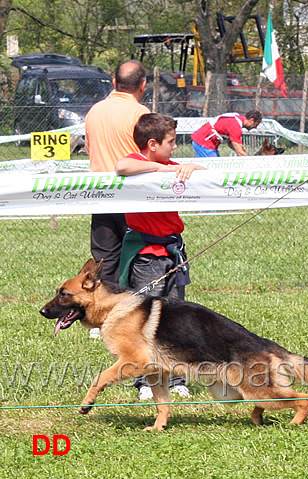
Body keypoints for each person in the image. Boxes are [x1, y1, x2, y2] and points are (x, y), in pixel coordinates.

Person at [115, 113, 206, 400]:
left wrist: (191, 167)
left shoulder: (172, 165)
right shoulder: (142, 164)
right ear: (152, 144)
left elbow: (204, 173)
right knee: (144, 319)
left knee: (175, 317)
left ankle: (177, 378)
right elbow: (122, 165)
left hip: (173, 251)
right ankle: (144, 380)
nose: (176, 147)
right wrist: (160, 170)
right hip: (146, 256)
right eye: (171, 142)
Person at [85, 60, 150, 339]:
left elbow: (89, 149)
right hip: (133, 196)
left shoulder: (94, 111)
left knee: (103, 259)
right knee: (138, 257)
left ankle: (97, 317)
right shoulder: (140, 112)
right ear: (143, 85)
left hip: (100, 194)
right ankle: (133, 314)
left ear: (113, 83)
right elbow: (149, 152)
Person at [191, 110, 263, 157]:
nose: (255, 128)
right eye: (256, 124)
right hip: (203, 142)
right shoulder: (236, 126)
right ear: (252, 120)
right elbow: (240, 153)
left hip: (205, 140)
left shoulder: (235, 119)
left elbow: (231, 143)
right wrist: (251, 161)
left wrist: (239, 148)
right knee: (213, 168)